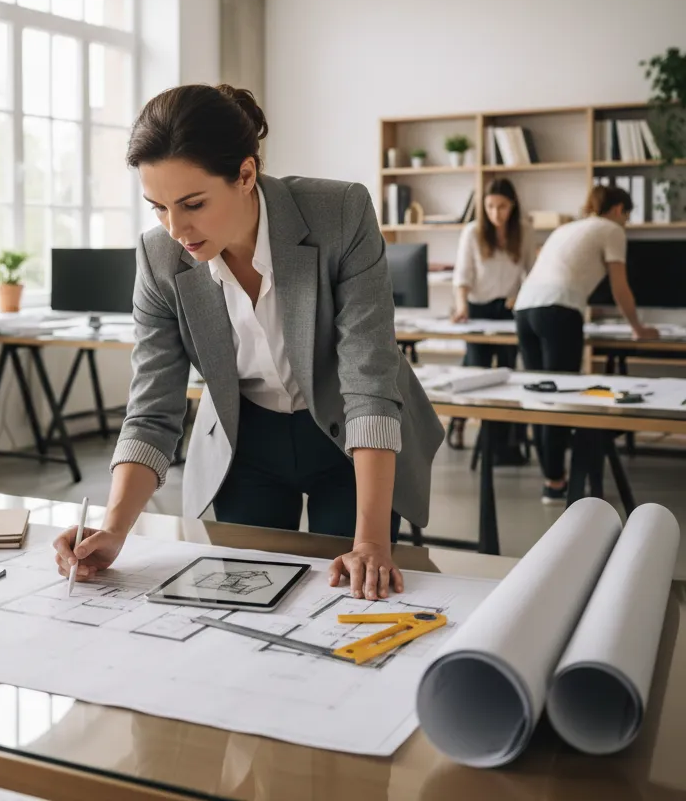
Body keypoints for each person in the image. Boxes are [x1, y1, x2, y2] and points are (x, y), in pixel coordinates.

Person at [53, 84, 443, 601]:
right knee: (246, 599)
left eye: (192, 204)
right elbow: (153, 407)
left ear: (245, 174)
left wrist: (371, 541)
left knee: (353, 588)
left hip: (350, 435)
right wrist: (115, 527)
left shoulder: (340, 213)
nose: (176, 229)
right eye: (158, 208)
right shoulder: (159, 259)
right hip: (245, 440)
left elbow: (369, 381)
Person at [514, 184, 659, 504]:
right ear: (620, 210)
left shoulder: (568, 228)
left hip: (525, 309)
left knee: (541, 394)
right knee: (560, 396)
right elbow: (620, 286)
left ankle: (552, 480)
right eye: (627, 216)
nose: (626, 223)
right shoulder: (611, 229)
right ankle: (555, 482)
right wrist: (638, 328)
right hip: (559, 310)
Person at [447, 178, 534, 449]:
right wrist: (461, 306)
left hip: (509, 309)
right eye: (490, 206)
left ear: (513, 206)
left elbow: (532, 273)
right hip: (477, 308)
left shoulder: (525, 231)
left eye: (503, 207)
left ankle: (501, 441)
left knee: (507, 371)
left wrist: (521, 296)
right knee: (475, 370)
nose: (496, 213)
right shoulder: (473, 232)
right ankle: (459, 422)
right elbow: (462, 275)